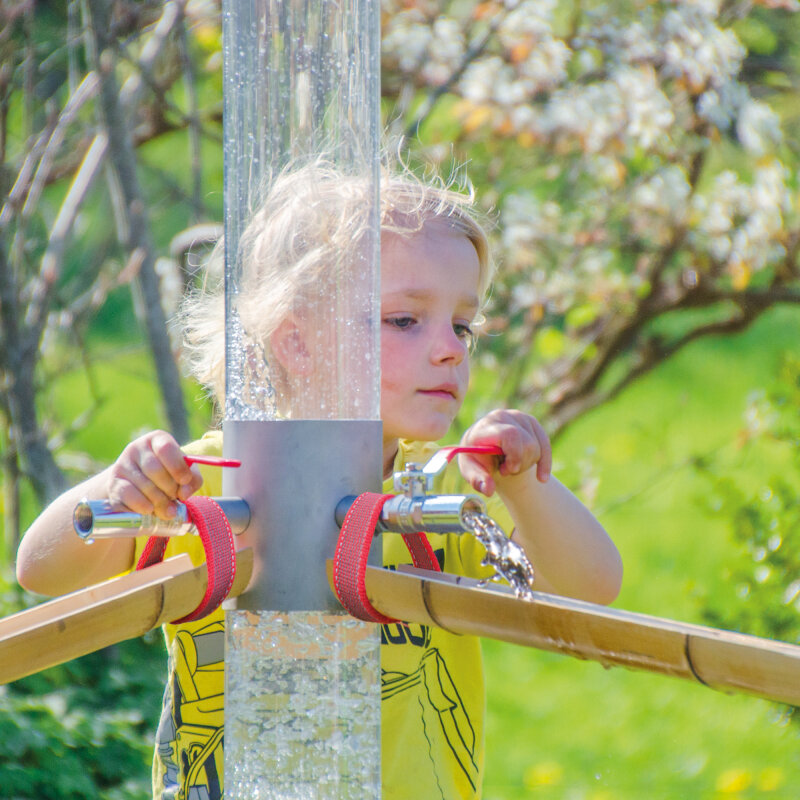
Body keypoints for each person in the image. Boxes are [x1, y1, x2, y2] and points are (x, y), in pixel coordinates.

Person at [17, 161, 623, 800]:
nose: (451, 349)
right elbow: (42, 570)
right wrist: (121, 488)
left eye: (462, 326)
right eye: (405, 321)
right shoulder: (206, 485)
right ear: (298, 345)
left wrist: (527, 485)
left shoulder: (435, 495)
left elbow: (590, 590)